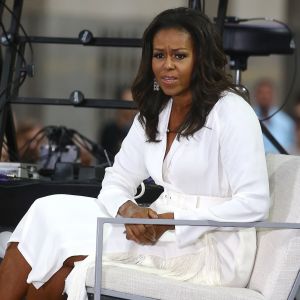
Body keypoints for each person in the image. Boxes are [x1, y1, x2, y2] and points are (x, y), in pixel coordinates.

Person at [0, 7, 270, 300]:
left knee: (61, 254)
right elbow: (116, 180)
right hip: (152, 226)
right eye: (159, 55)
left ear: (201, 59)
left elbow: (254, 203)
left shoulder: (231, 111)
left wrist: (169, 221)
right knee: (46, 210)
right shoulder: (155, 111)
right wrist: (129, 211)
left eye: (179, 56)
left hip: (212, 246)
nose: (167, 65)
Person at [253, 78, 295, 153]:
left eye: (268, 93)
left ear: (273, 95)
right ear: (255, 95)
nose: (264, 96)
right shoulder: (248, 119)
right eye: (261, 93)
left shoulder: (286, 122)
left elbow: (291, 150)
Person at [98, 88, 136, 158]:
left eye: (133, 102)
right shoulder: (109, 130)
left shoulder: (138, 129)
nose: (131, 107)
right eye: (127, 103)